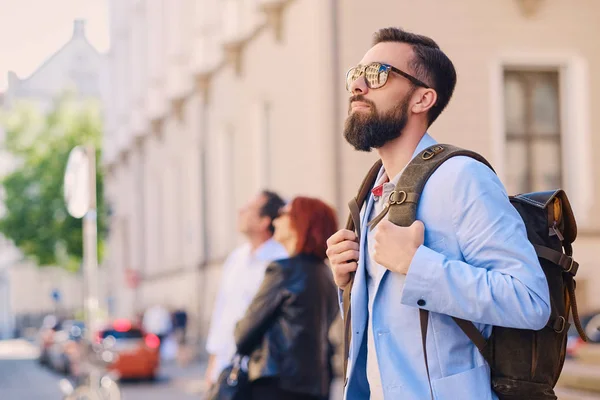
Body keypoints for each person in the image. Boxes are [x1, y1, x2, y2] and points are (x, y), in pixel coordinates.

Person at [326, 27, 551, 399]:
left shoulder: (462, 177)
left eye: (377, 74)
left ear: (422, 99)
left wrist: (418, 266)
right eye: (356, 75)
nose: (358, 87)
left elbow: (530, 301)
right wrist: (348, 282)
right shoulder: (372, 194)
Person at [234, 197, 340, 400]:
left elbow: (243, 335)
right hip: (316, 386)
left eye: (284, 213)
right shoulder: (327, 276)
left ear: (301, 222)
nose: (275, 220)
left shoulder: (283, 270)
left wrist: (238, 327)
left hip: (276, 384)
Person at [204, 190, 288, 386]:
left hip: (260, 372)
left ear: (264, 221)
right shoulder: (236, 258)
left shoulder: (281, 260)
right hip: (225, 369)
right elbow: (222, 312)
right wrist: (213, 364)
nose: (240, 211)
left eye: (249, 209)